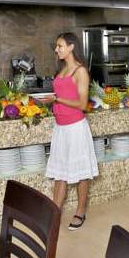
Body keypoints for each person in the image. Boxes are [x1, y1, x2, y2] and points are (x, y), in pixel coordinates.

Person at [38, 32, 99, 230]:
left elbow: (82, 104)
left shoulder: (80, 71)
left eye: (60, 46)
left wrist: (56, 99)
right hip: (61, 129)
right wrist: (51, 101)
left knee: (81, 173)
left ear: (71, 47)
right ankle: (54, 214)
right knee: (60, 173)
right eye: (57, 46)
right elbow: (62, 95)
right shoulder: (62, 70)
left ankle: (80, 212)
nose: (56, 50)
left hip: (75, 128)